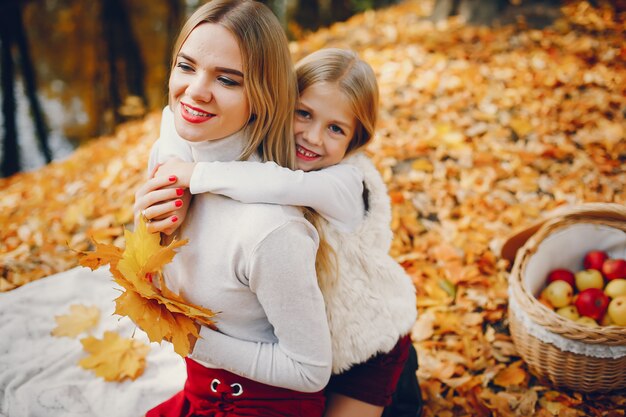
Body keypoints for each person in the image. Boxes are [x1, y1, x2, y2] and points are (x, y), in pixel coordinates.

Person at [140, 48, 422, 417]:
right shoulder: (271, 149)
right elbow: (171, 121)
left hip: (365, 345)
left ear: (356, 139)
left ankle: (405, 396)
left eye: (336, 128)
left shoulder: (346, 183)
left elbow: (279, 185)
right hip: (309, 343)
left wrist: (194, 175)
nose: (313, 137)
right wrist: (176, 156)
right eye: (303, 113)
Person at [135, 1, 333, 416]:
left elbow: (311, 371)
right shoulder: (170, 150)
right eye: (186, 67)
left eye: (227, 79)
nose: (195, 91)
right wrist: (142, 219)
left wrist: (188, 337)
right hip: (197, 389)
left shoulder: (270, 228)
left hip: (257, 404)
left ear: (263, 96)